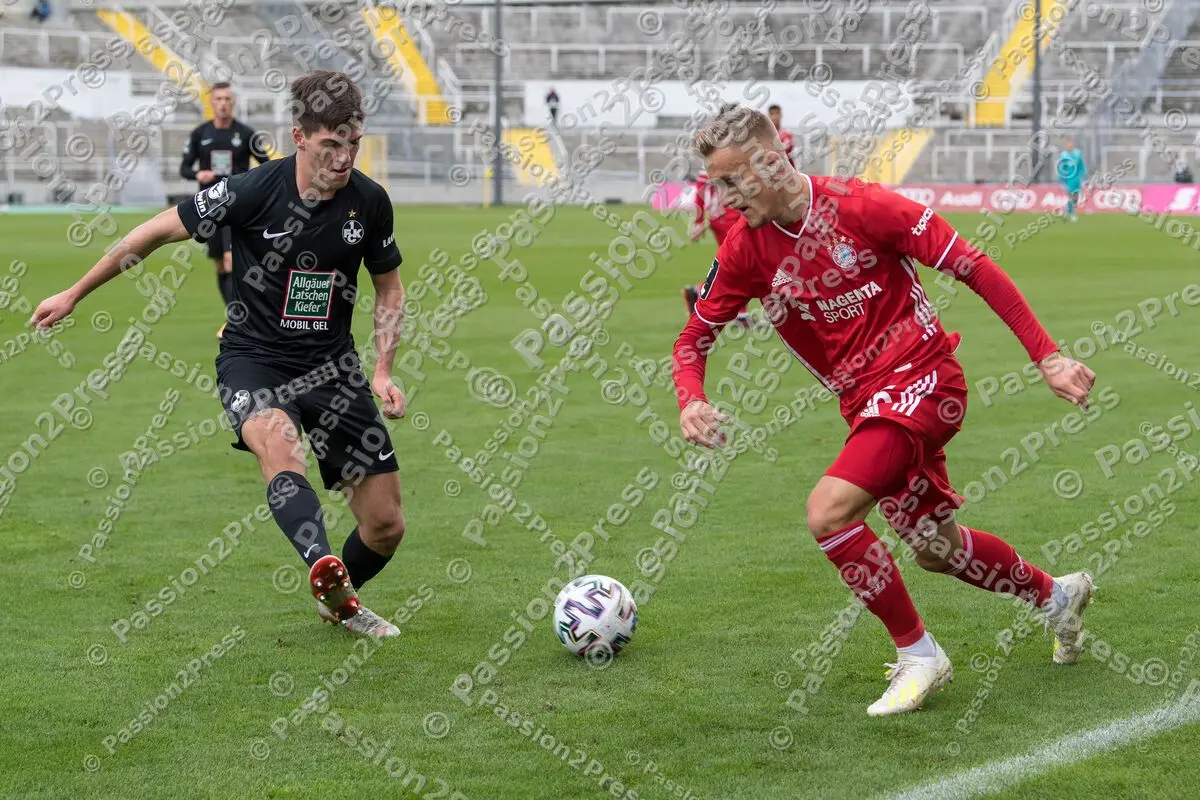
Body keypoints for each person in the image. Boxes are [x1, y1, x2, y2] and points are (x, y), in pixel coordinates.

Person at [671, 104, 1096, 716]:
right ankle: (1059, 597)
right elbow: (692, 339)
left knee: (828, 513)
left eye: (733, 181)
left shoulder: (864, 205)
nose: (725, 198)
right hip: (866, 404)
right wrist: (692, 400)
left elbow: (974, 266)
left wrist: (1048, 358)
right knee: (935, 550)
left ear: (773, 160)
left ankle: (921, 656)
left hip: (926, 380)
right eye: (717, 185)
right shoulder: (745, 249)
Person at [32, 71, 409, 639]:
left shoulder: (370, 203)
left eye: (353, 142)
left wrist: (381, 369)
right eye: (332, 144)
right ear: (299, 137)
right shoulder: (252, 190)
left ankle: (337, 600)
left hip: (334, 369)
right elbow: (150, 235)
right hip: (254, 359)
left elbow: (389, 289)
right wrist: (73, 292)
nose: (345, 157)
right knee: (280, 447)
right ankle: (319, 563)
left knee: (385, 526)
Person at [180, 81, 272, 338]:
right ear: (211, 102)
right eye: (219, 99)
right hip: (210, 206)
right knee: (221, 264)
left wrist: (248, 182)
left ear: (233, 103)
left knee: (233, 260)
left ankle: (238, 318)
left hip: (238, 205)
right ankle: (234, 315)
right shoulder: (200, 134)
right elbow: (185, 168)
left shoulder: (245, 134)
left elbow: (266, 165)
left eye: (228, 99)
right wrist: (200, 173)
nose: (223, 103)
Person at [683, 171, 749, 326]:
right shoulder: (728, 153)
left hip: (722, 216)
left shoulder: (717, 154)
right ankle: (739, 313)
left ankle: (701, 293)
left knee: (737, 265)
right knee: (742, 264)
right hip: (730, 216)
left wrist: (699, 220)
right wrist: (698, 221)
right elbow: (701, 187)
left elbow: (701, 187)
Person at [1056, 138, 1086, 222]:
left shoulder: (1077, 153)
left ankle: (1066, 212)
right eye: (1068, 144)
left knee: (1075, 198)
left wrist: (1083, 175)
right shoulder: (1064, 155)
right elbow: (1061, 167)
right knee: (1070, 196)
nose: (1069, 146)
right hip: (1068, 179)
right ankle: (1072, 214)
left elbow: (1081, 165)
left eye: (1071, 144)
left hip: (1077, 178)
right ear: (1066, 146)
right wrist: (1061, 179)